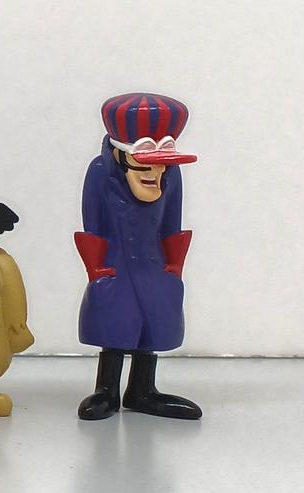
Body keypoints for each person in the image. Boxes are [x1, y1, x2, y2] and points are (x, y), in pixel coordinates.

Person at [74, 93, 202, 420]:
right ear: (120, 154)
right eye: (144, 162)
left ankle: (142, 390)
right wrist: (97, 271)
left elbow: (172, 222)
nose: (154, 172)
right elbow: (92, 222)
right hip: (115, 265)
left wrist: (174, 269)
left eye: (161, 163)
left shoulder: (171, 176)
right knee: (116, 322)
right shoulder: (100, 172)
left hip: (153, 265)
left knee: (154, 324)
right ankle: (107, 390)